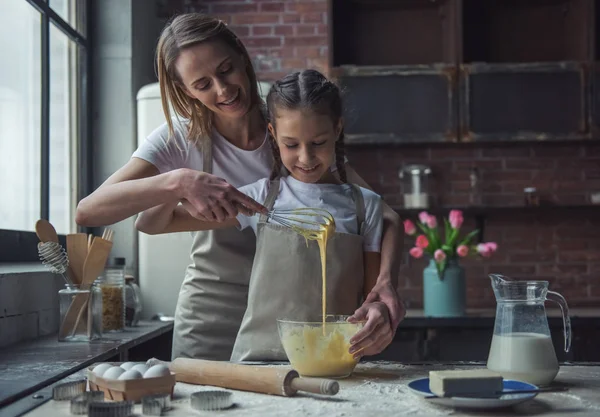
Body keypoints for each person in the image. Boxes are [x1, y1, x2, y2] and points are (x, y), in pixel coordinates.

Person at [75, 13, 404, 361]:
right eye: (202, 85)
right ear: (184, 90)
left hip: (288, 316)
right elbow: (90, 209)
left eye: (226, 69)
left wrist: (385, 283)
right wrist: (179, 181)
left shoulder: (292, 130)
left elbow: (383, 216)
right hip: (210, 313)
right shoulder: (179, 141)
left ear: (242, 58)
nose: (223, 89)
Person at [136, 69, 393, 360]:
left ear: (337, 129)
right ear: (273, 134)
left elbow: (371, 298)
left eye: (318, 143)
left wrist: (377, 314)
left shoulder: (365, 206)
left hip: (332, 360)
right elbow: (152, 224)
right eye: (291, 145)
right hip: (258, 361)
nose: (306, 158)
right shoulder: (260, 198)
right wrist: (178, 183)